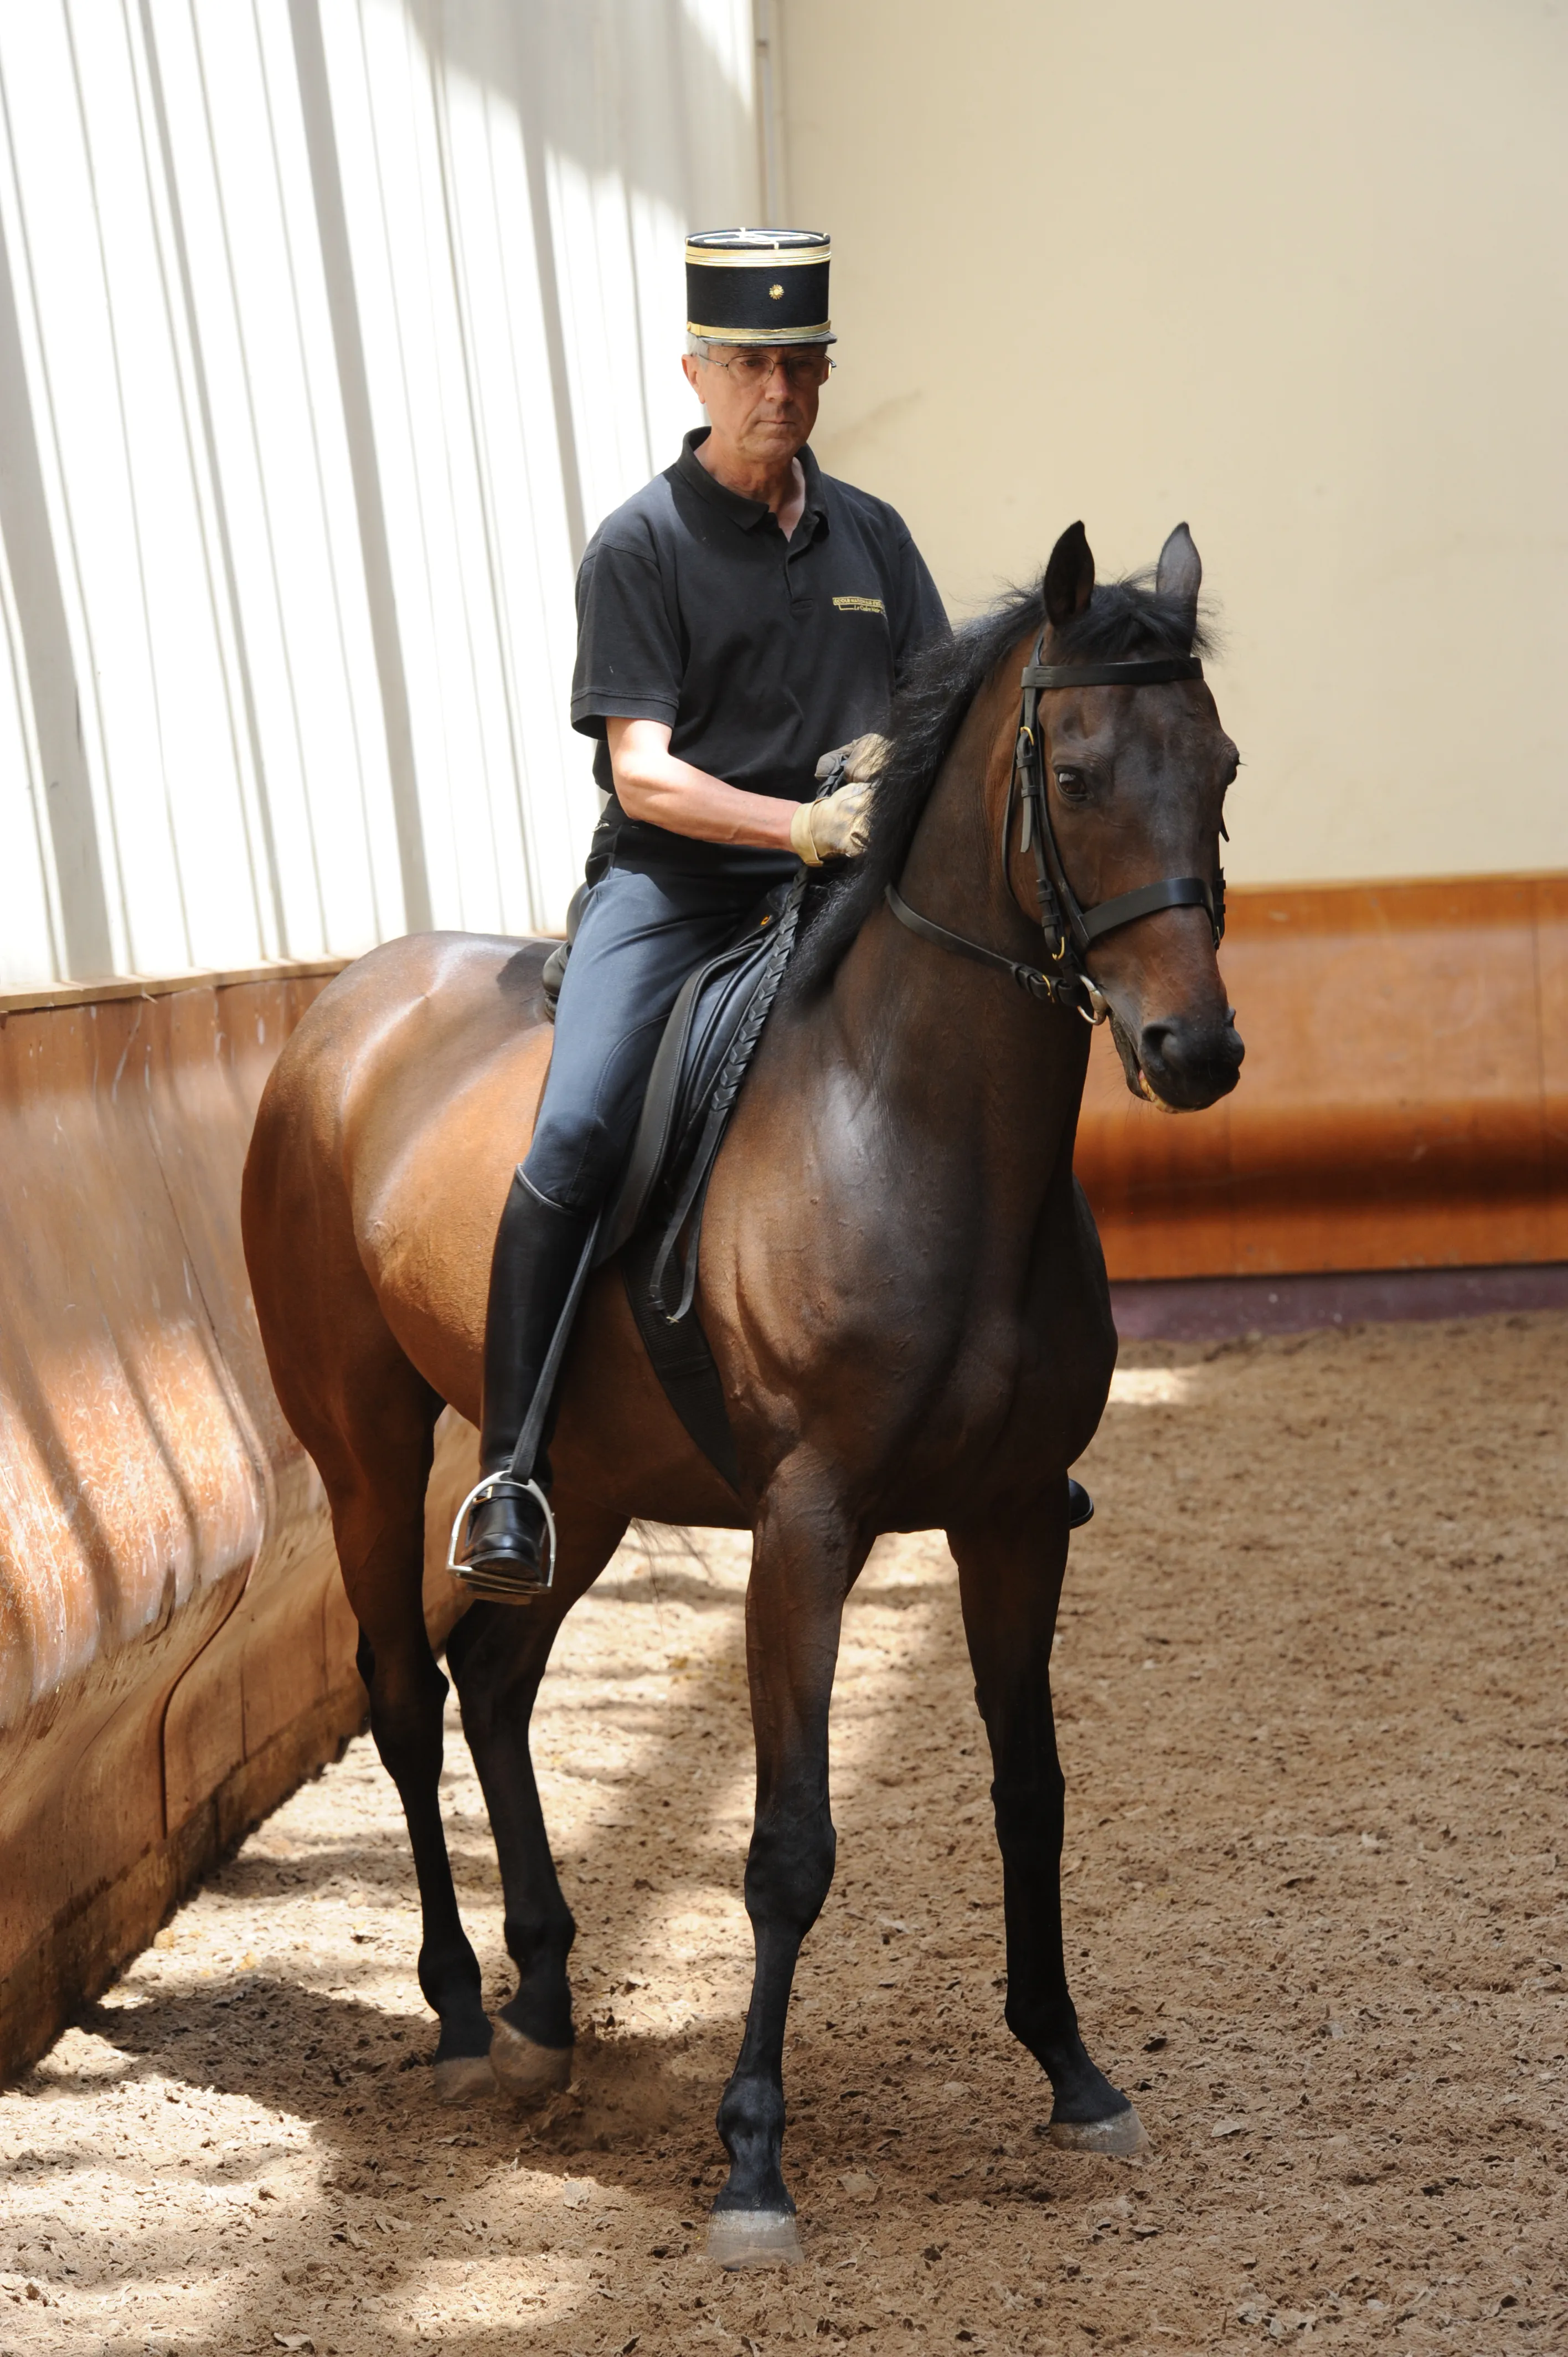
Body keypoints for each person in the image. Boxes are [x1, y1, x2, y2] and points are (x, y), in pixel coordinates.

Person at [453, 228, 948, 1596]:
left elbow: (934, 711)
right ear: (696, 372)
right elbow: (645, 771)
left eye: (799, 365)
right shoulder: (643, 543)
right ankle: (511, 1470)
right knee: (581, 1120)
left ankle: (998, 1423)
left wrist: (892, 772)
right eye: (748, 365)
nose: (776, 391)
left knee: (972, 1056)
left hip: (842, 888)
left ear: (825, 377)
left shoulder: (875, 537)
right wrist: (793, 821)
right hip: (676, 888)